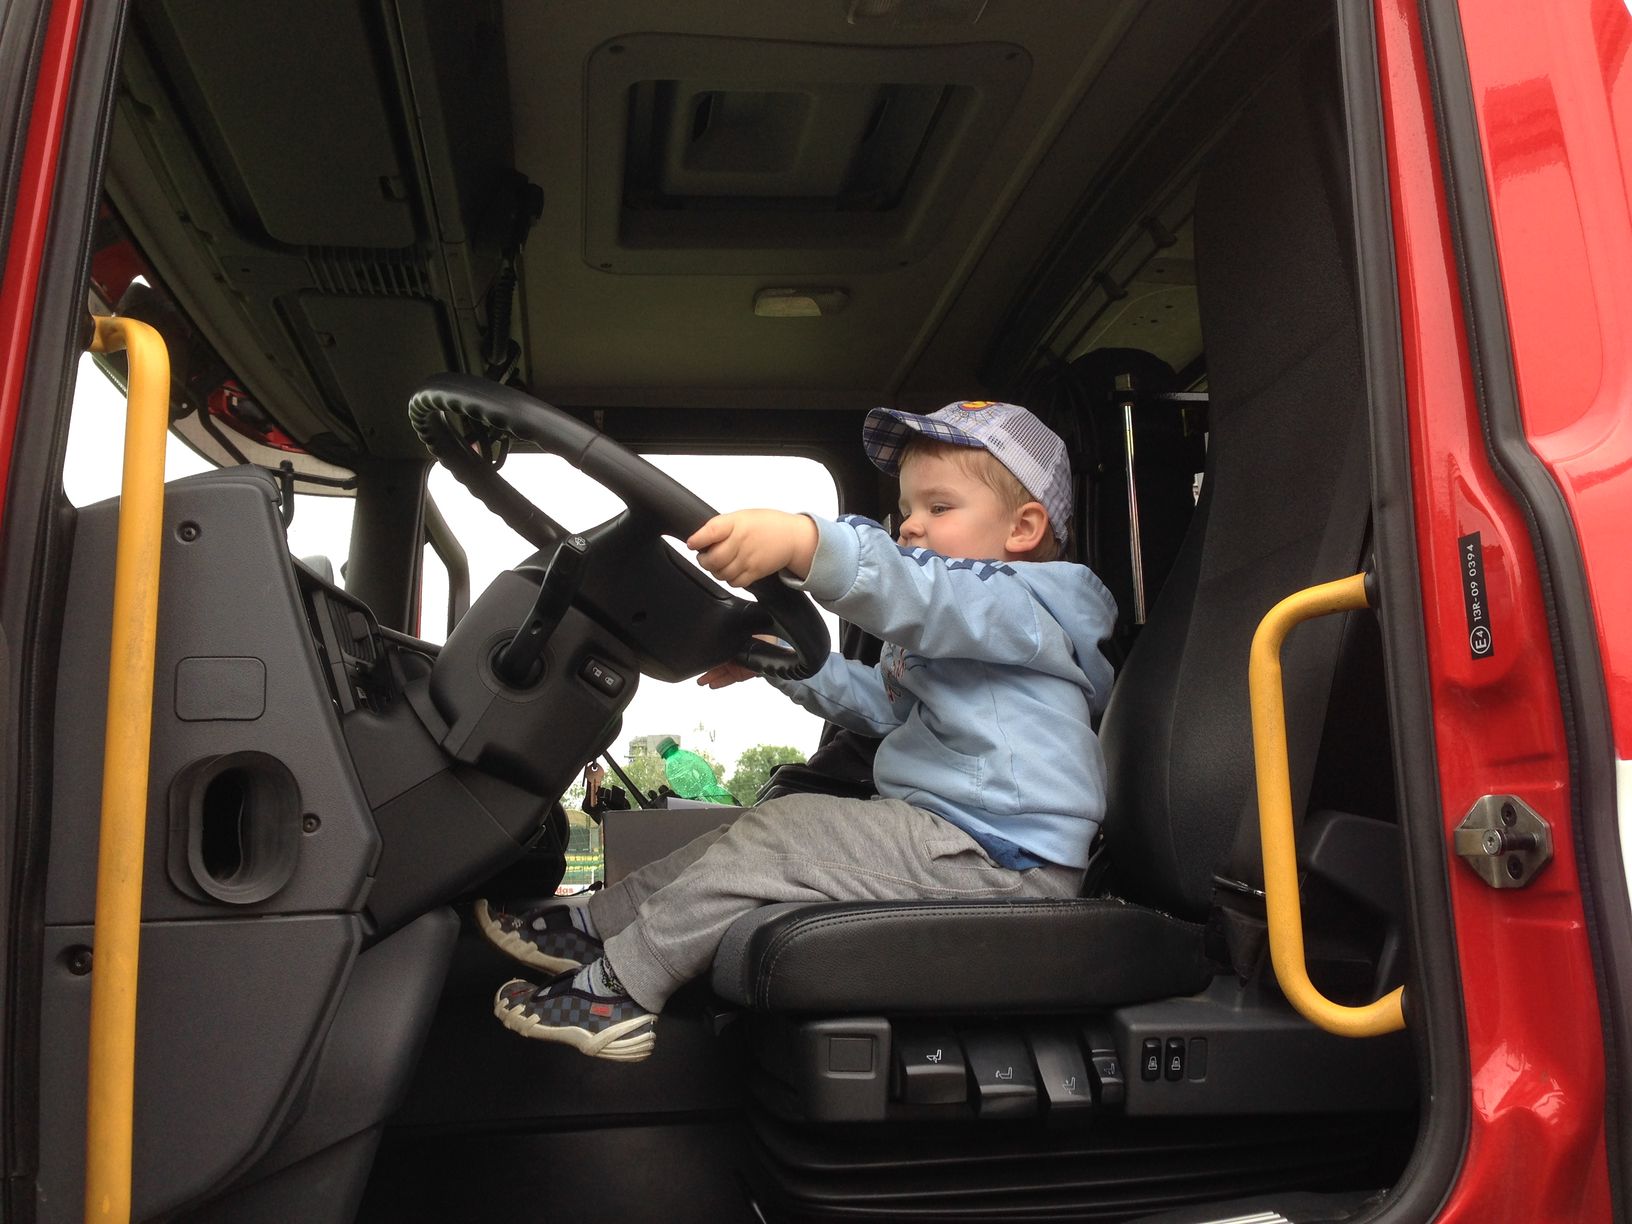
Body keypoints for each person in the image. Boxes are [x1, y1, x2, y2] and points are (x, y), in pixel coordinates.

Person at [475, 399, 1117, 1061]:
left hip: (1005, 858)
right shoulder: (970, 627)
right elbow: (883, 707)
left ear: (1023, 528)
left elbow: (918, 592)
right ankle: (596, 925)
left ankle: (619, 991)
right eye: (906, 510)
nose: (909, 526)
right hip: (961, 836)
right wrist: (781, 663)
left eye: (939, 507)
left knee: (781, 836)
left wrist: (811, 544)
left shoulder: (1020, 602)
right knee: (748, 828)